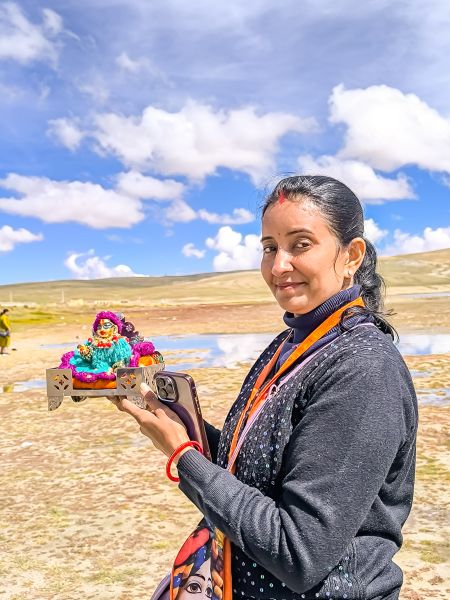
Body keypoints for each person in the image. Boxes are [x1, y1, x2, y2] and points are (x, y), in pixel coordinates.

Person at [112, 175, 418, 600]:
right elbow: (253, 469)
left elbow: (299, 552)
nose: (278, 267)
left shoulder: (363, 368)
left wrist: (184, 456)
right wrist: (180, 424)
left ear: (351, 255)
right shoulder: (291, 344)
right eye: (270, 247)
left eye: (300, 244)